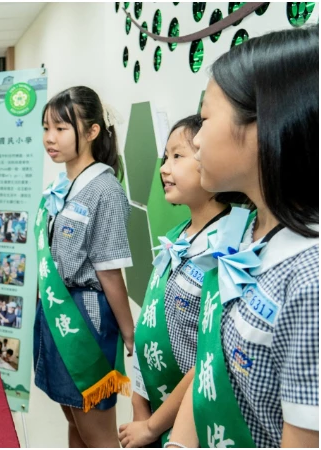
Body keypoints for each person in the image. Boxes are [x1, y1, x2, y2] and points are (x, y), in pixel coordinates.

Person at [167, 26, 318, 449]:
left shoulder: (310, 278)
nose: (195, 140)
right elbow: (210, 363)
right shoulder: (246, 233)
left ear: (262, 125)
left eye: (206, 119)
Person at [117, 115, 245, 448]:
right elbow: (150, 320)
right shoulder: (176, 236)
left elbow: (212, 353)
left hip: (192, 420)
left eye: (178, 156)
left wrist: (152, 426)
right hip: (154, 409)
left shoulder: (234, 243)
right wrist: (139, 407)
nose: (164, 168)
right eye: (165, 157)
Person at [33, 86, 134, 447]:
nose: (50, 138)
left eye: (61, 128)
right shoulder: (66, 184)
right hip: (56, 312)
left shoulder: (104, 189)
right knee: (75, 422)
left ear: (91, 131)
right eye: (46, 127)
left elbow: (109, 270)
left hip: (86, 321)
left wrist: (129, 333)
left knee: (98, 437)